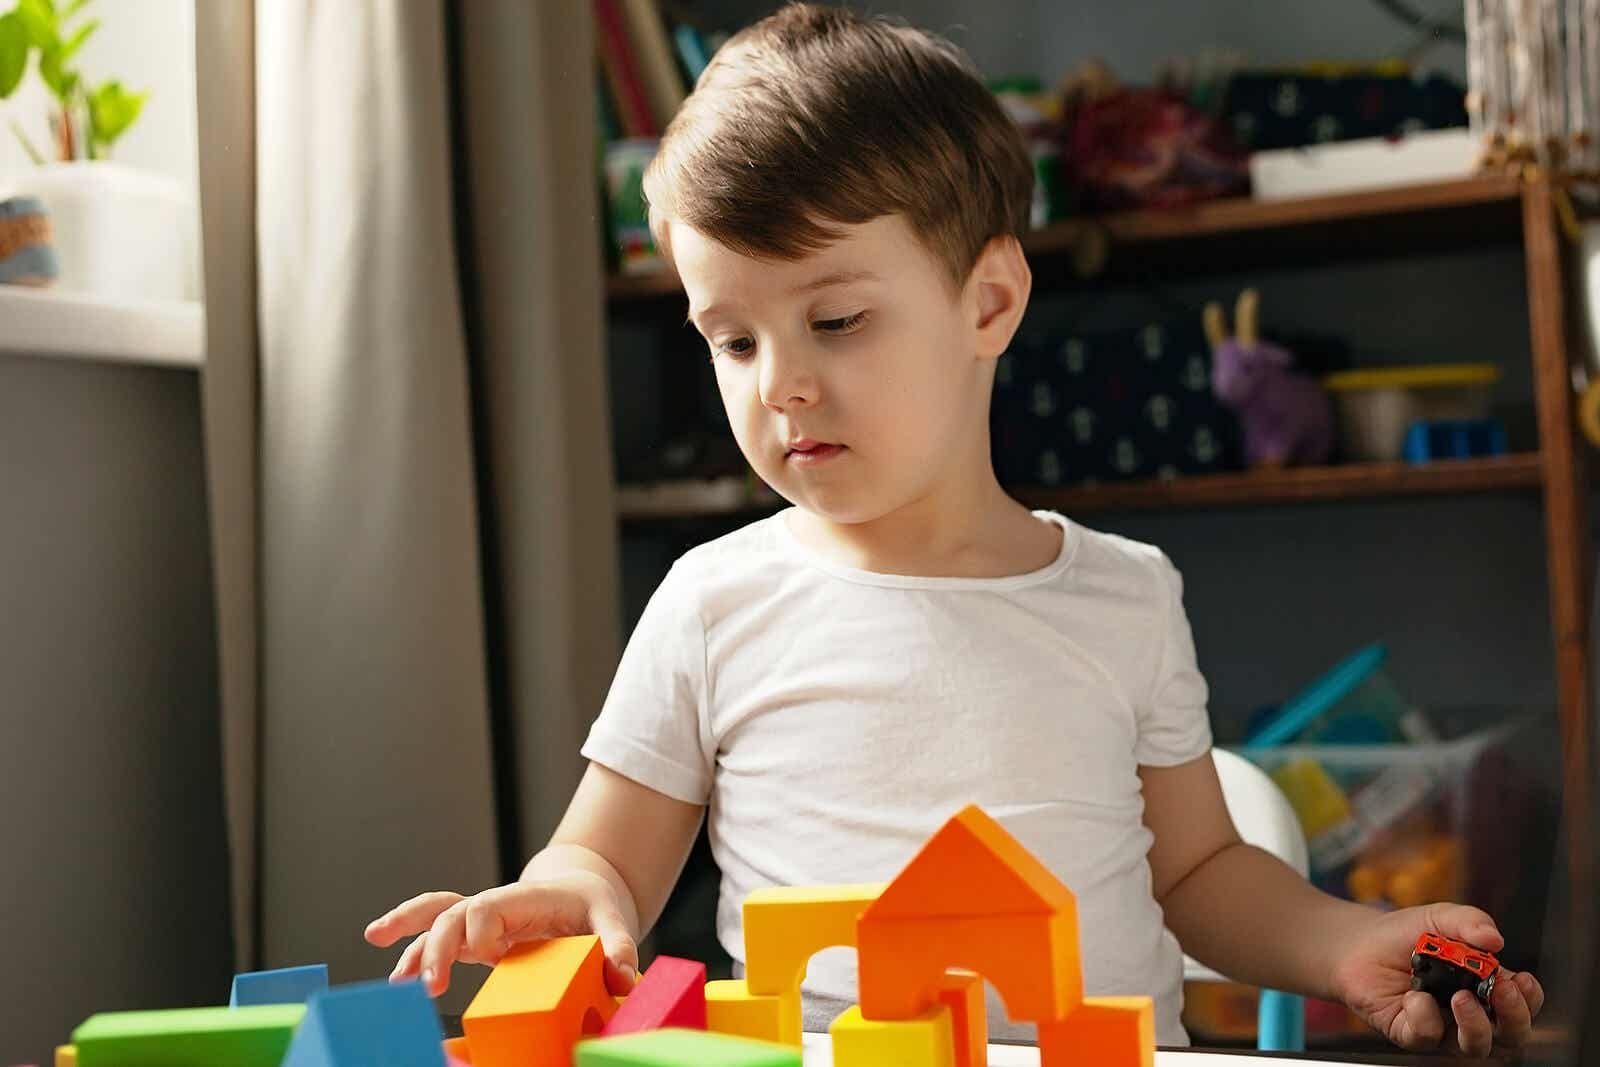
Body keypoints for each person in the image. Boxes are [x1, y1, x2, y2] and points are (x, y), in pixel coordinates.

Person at [365, 4, 1542, 1054]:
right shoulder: (711, 601)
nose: (780, 383)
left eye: (834, 318)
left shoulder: (1124, 595)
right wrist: (562, 889)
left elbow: (1198, 873)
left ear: (988, 301)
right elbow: (604, 858)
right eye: (733, 339)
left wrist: (1346, 944)